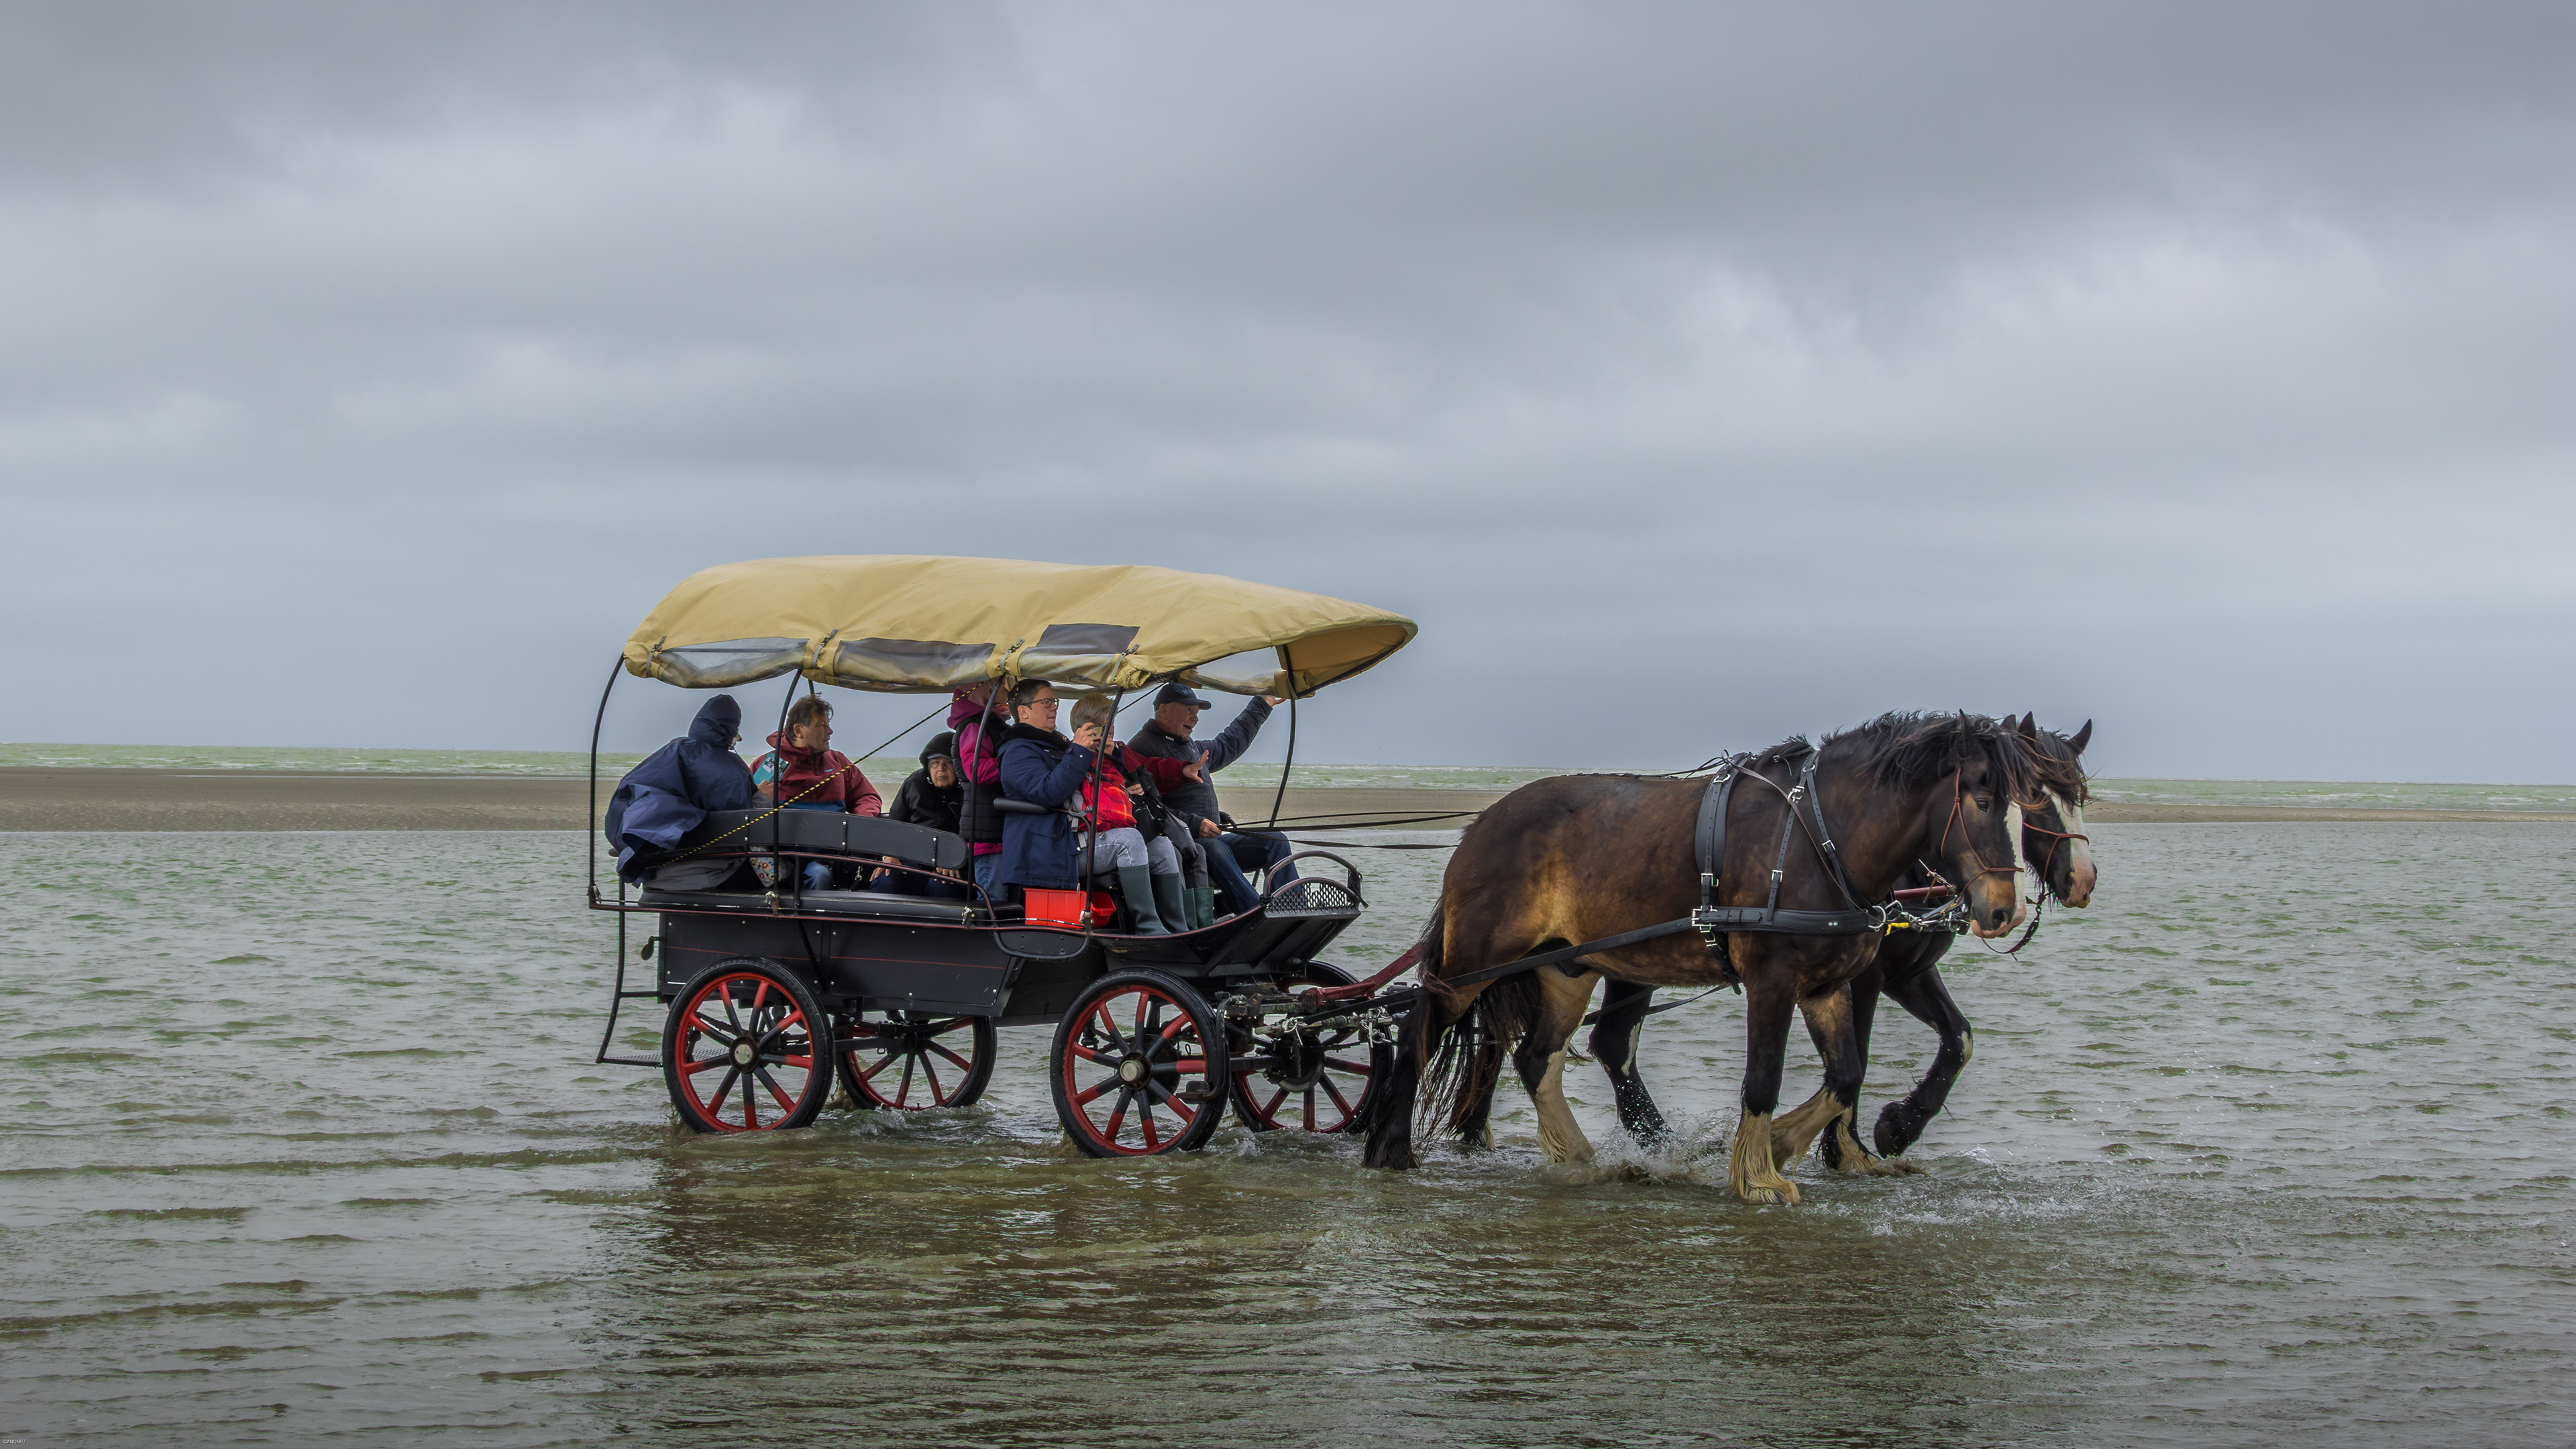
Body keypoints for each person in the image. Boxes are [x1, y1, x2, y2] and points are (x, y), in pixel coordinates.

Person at [1124, 682, 1294, 915]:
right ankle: (1255, 913)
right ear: (1163, 710)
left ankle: (1292, 908)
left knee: (1274, 839)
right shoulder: (1141, 747)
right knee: (1213, 848)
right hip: (1178, 849)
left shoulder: (1192, 747)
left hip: (1213, 843)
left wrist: (1263, 703)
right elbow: (1148, 807)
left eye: (1196, 712)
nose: (1195, 718)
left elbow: (1230, 742)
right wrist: (1194, 824)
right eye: (1188, 710)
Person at [602, 694, 757, 891]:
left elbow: (627, 794)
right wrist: (763, 797)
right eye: (736, 729)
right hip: (713, 873)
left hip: (654, 875)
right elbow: (747, 823)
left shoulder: (673, 749)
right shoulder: (735, 771)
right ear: (728, 728)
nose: (739, 736)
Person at [748, 694, 881, 891]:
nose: (830, 731)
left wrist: (861, 822)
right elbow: (745, 812)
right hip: (784, 858)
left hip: (831, 855)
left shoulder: (839, 762)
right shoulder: (768, 765)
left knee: (829, 875)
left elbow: (866, 796)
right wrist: (760, 797)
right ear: (799, 730)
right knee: (817, 876)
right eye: (821, 725)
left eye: (828, 724)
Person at [869, 731, 971, 899]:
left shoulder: (969, 789)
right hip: (915, 862)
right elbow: (894, 824)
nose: (941, 769)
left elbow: (974, 834)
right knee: (885, 879)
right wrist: (890, 855)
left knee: (943, 886)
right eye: (935, 763)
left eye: (948, 763)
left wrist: (957, 860)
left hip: (956, 863)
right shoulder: (915, 783)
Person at [949, 680, 1010, 902]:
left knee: (1000, 898)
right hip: (987, 834)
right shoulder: (974, 726)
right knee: (992, 900)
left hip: (996, 829)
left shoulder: (992, 723)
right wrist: (1016, 765)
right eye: (1002, 685)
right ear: (983, 690)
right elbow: (978, 771)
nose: (1008, 690)